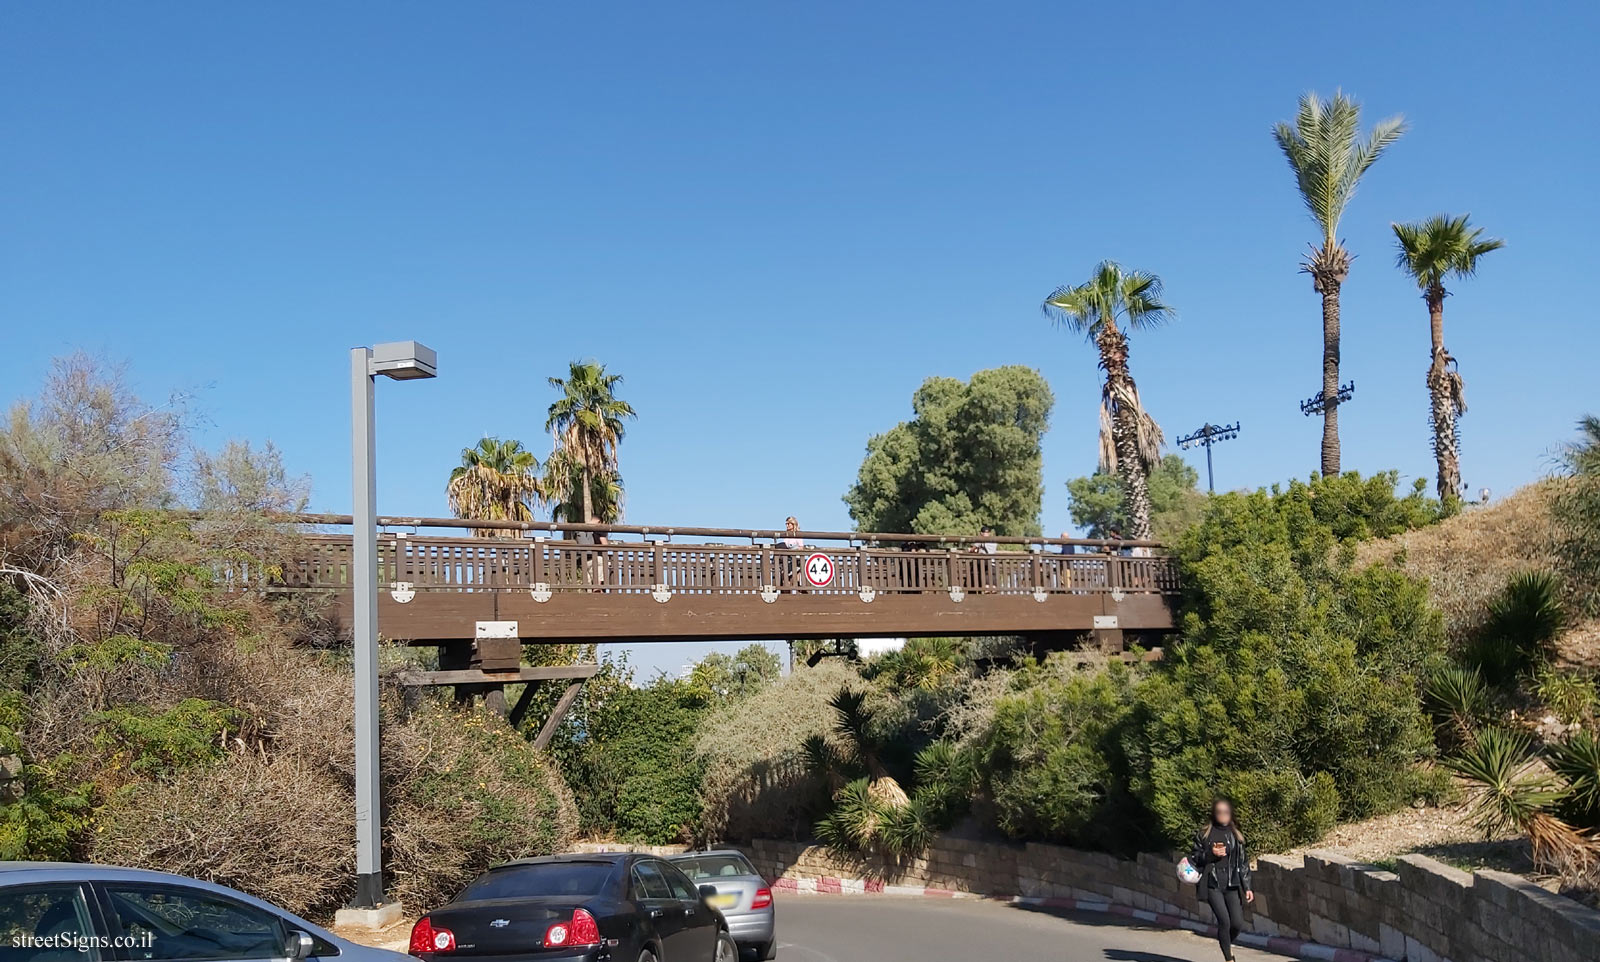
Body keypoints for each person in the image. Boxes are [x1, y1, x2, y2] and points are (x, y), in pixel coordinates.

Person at [1189, 798, 1254, 961]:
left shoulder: (1236, 835)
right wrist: (1211, 854)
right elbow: (1195, 857)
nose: (1223, 815)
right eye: (1219, 812)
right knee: (1224, 921)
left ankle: (1225, 942)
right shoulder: (1204, 834)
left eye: (1226, 812)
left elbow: (1243, 863)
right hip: (1212, 883)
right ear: (1214, 814)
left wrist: (1247, 886)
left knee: (1237, 923)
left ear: (1231, 814)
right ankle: (1228, 958)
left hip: (1231, 883)